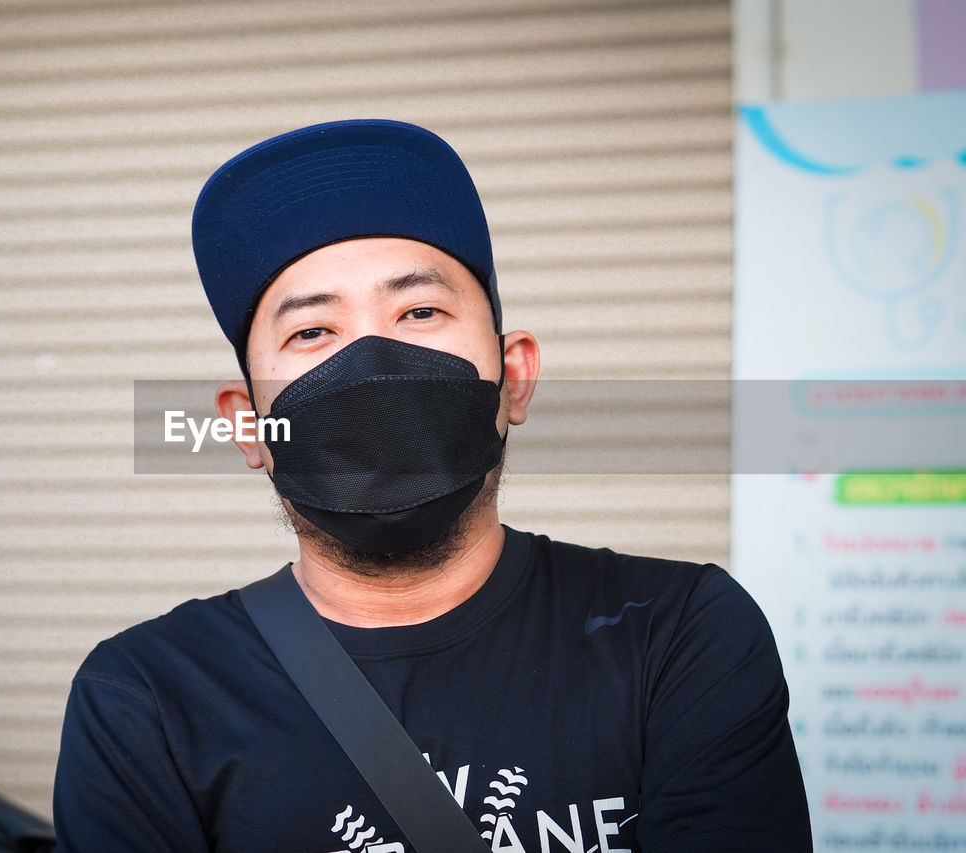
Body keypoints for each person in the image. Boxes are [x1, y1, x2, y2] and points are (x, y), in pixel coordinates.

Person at [53, 119, 812, 852]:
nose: (373, 362)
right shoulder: (145, 698)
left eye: (419, 310)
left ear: (513, 377)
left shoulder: (678, 633)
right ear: (248, 426)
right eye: (312, 331)